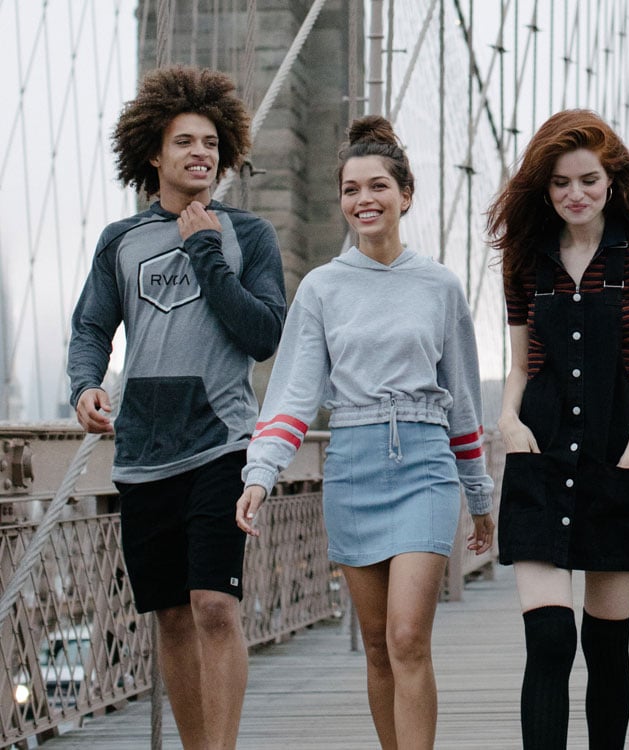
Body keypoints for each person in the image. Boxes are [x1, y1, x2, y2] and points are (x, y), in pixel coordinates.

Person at [233, 115, 494, 749]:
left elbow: (461, 402)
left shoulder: (439, 286)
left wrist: (481, 498)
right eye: (351, 190)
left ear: (405, 194)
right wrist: (261, 473)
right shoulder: (322, 288)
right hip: (351, 465)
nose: (364, 200)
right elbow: (293, 394)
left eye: (377, 186)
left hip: (425, 466)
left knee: (408, 637)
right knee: (377, 646)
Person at [66, 65, 285, 749]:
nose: (201, 154)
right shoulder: (120, 241)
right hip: (142, 454)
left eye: (213, 144)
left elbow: (263, 333)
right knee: (170, 617)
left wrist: (205, 251)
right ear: (153, 154)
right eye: (185, 142)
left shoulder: (248, 234)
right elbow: (91, 327)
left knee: (215, 606)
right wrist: (85, 385)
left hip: (221, 444)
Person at [487, 109, 629, 750]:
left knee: (605, 646)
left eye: (588, 181)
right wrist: (508, 420)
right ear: (544, 188)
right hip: (539, 455)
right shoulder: (526, 254)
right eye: (561, 183)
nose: (576, 195)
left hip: (616, 455)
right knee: (549, 639)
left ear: (611, 179)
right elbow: (521, 366)